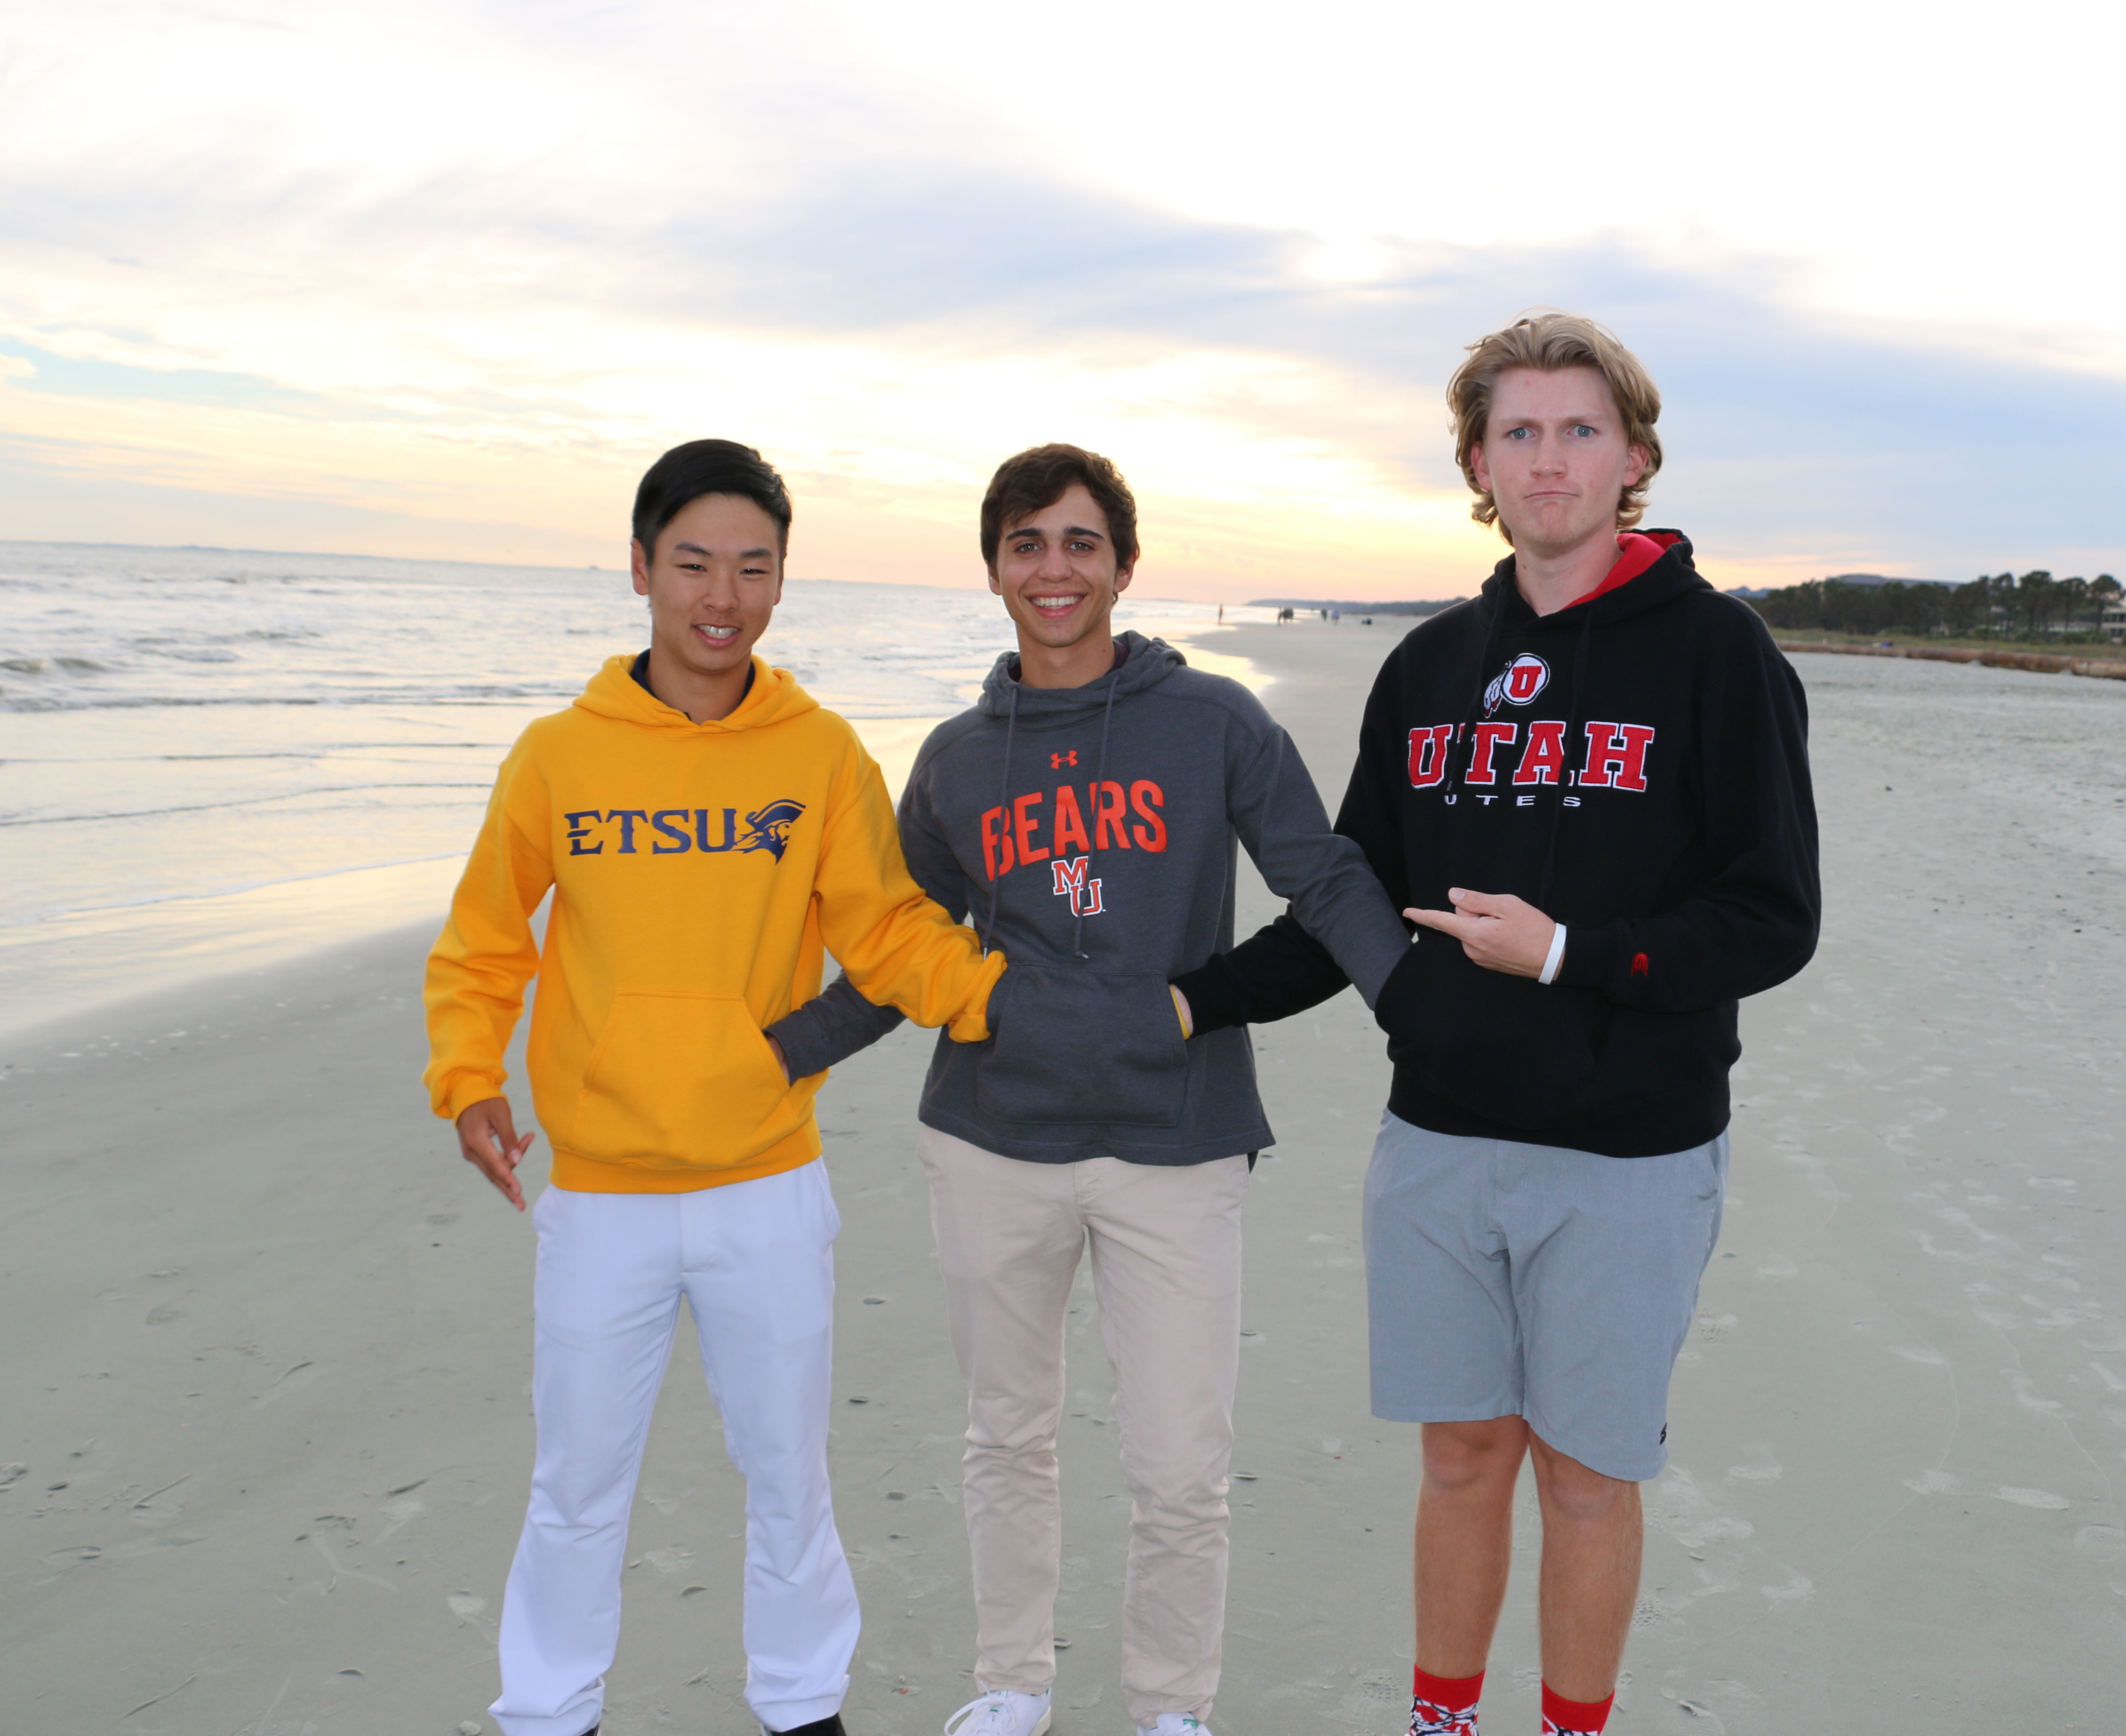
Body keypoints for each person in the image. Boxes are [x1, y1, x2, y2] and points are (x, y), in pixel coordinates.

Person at [1168, 313, 1820, 1736]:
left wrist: (1572, 953)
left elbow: (1775, 917)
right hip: (1442, 1140)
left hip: (1631, 1149)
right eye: (1517, 432)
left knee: (1587, 1475)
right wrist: (1191, 999)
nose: (1548, 459)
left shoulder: (1720, 654)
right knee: (1462, 1456)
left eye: (1581, 429)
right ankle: (1442, 1721)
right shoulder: (1430, 667)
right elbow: (1349, 902)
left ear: (1635, 456)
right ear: (1476, 462)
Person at [764, 444, 1409, 1736]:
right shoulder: (955, 759)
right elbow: (898, 949)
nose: (1052, 570)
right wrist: (778, 1052)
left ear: (1123, 564)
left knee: (1179, 1461)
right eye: (1026, 544)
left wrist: (1420, 1012)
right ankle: (1012, 1685)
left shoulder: (1216, 721)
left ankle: (1172, 1706)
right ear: (995, 568)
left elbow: (1326, 877)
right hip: (991, 1141)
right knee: (1007, 1436)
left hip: (1177, 1140)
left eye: (1078, 543)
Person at [423, 439, 1016, 1736]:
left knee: (789, 1474)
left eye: (754, 568)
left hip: (765, 1182)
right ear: (641, 568)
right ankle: (548, 1710)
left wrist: (996, 998)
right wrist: (468, 1079)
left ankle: (803, 1705)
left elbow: (887, 930)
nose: (722, 596)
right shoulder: (558, 756)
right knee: (578, 1482)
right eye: (694, 563)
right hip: (601, 1194)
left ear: (782, 582)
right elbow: (484, 943)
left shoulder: (819, 754)